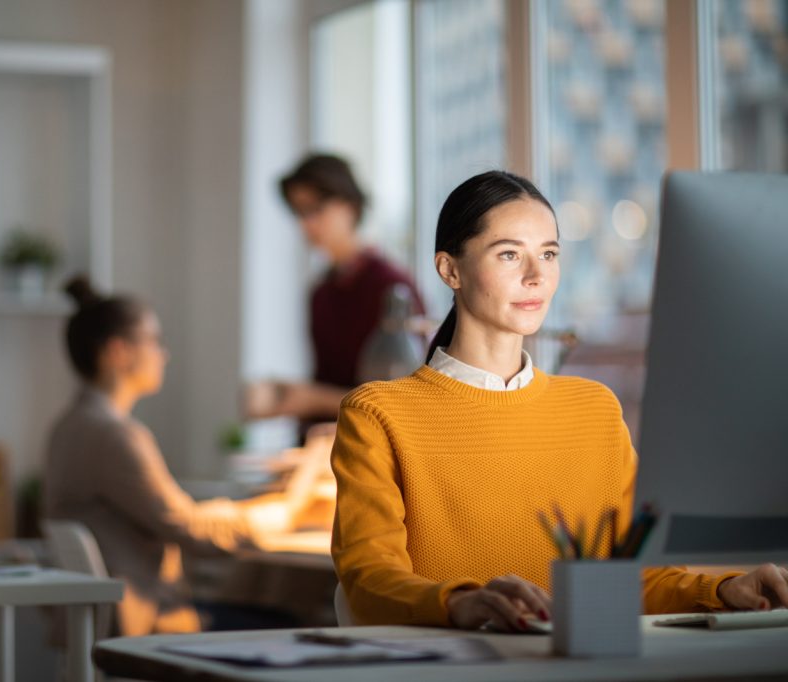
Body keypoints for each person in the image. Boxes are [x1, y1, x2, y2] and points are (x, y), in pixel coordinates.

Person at [330, 171, 788, 631]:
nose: (537, 276)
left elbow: (636, 578)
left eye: (548, 254)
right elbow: (369, 579)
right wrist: (460, 602)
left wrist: (722, 589)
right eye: (510, 254)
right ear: (450, 270)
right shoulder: (377, 413)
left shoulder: (595, 409)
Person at [43, 277, 295, 637]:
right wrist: (283, 512)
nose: (164, 354)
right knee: (293, 624)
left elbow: (171, 515)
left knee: (267, 597)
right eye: (155, 341)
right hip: (144, 620)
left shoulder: (68, 427)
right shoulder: (114, 435)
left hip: (111, 617)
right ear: (118, 351)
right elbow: (189, 529)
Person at [246, 153, 426, 422]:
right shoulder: (321, 293)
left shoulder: (391, 286)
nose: (305, 224)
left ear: (350, 205)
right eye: (298, 212)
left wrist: (311, 399)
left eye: (314, 209)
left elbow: (406, 399)